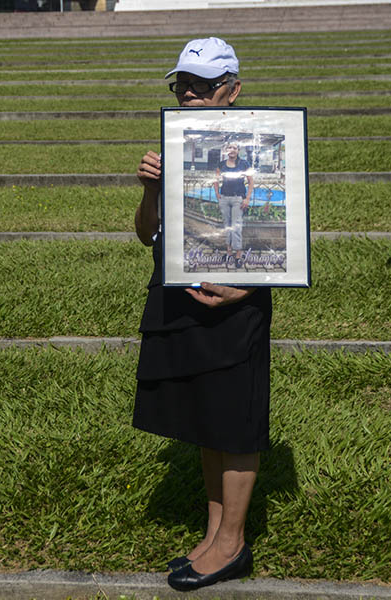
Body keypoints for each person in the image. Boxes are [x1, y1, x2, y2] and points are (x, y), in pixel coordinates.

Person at [133, 37, 267, 592]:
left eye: (203, 86)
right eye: (182, 84)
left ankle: (233, 543)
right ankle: (214, 532)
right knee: (206, 418)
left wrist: (247, 288)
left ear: (232, 90)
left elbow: (277, 234)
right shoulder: (168, 146)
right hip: (180, 291)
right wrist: (148, 193)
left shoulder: (263, 143)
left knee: (235, 420)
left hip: (238, 298)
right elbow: (147, 235)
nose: (189, 95)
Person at [214, 141, 254, 267]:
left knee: (236, 227)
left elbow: (251, 181)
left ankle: (238, 255)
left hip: (238, 199)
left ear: (238, 150)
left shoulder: (244, 164)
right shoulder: (221, 164)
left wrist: (247, 198)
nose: (232, 150)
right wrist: (217, 195)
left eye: (235, 148)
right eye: (230, 148)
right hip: (225, 199)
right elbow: (216, 179)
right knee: (227, 226)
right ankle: (229, 253)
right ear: (226, 150)